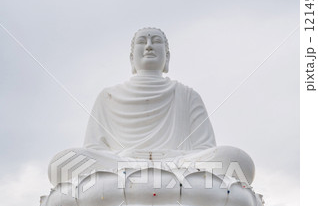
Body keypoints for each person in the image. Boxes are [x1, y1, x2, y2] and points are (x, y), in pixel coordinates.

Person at [48, 27, 255, 186]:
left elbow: (205, 149)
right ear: (132, 57)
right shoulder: (108, 96)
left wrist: (173, 159)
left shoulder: (187, 95)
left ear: (167, 57)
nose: (148, 46)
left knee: (235, 160)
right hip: (121, 167)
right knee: (62, 164)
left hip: (178, 166)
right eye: (142, 42)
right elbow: (94, 148)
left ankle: (139, 182)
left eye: (156, 42)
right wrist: (126, 160)